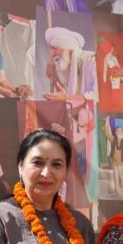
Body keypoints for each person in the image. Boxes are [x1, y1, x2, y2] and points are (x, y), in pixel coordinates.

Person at [44, 26, 98, 209]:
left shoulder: (91, 60)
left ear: (67, 47)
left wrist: (66, 97)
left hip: (91, 129)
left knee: (86, 178)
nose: (52, 53)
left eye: (55, 48)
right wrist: (54, 79)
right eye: (51, 49)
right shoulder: (68, 67)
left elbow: (96, 95)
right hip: (76, 129)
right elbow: (67, 96)